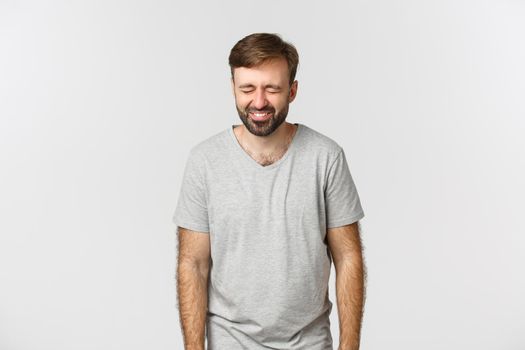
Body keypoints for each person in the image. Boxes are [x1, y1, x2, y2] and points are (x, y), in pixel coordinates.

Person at [174, 32, 366, 350]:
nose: (259, 102)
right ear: (233, 88)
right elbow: (193, 263)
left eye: (272, 89)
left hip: (309, 343)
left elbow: (348, 257)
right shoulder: (204, 161)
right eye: (247, 89)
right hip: (229, 342)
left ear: (292, 91)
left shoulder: (326, 157)